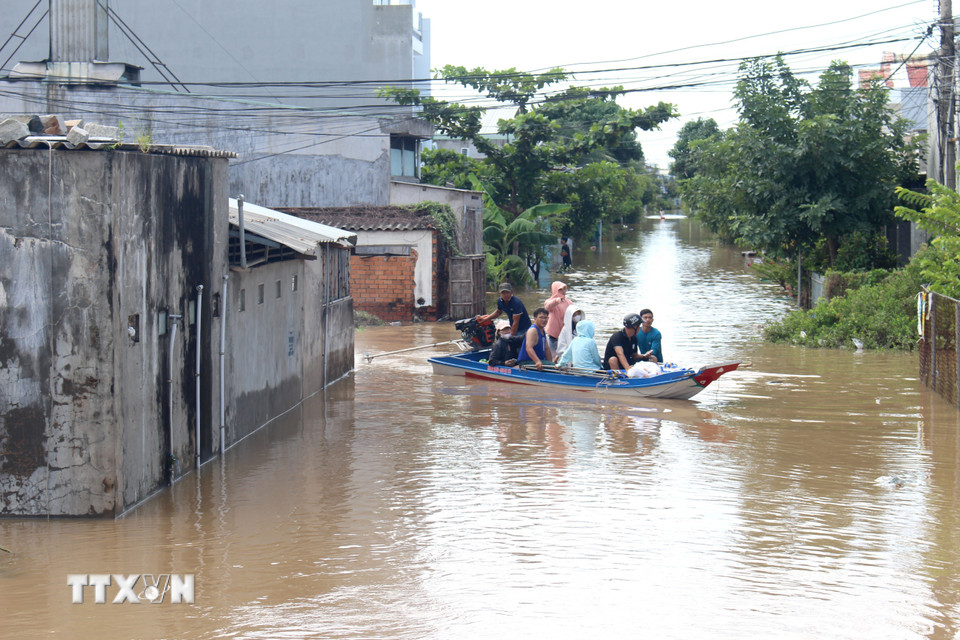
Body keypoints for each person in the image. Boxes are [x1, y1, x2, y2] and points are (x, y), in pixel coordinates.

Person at [543, 281, 570, 355]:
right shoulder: (550, 301)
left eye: (564, 289)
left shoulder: (568, 302)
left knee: (564, 353)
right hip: (553, 334)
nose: (563, 291)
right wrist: (556, 301)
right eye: (560, 290)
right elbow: (547, 307)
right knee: (553, 354)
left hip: (565, 333)